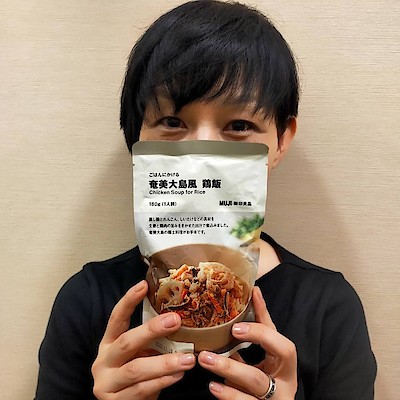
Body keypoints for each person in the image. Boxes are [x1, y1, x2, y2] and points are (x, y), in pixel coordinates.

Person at [34, 1, 377, 399]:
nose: (202, 155)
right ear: (137, 139)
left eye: (239, 125)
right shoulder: (86, 300)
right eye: (172, 122)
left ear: (282, 141)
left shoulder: (328, 309)